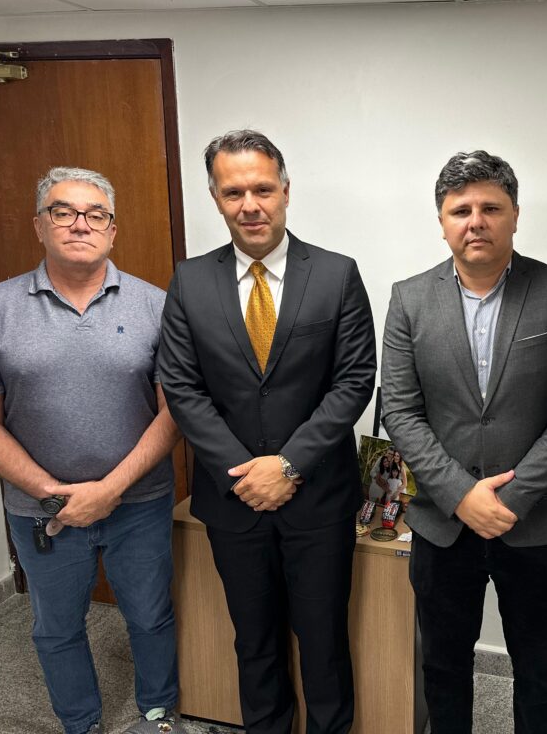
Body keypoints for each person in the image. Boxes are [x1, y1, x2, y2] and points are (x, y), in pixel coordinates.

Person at [157, 130, 376, 734]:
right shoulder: (190, 282)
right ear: (215, 197)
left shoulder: (336, 275)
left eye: (262, 188)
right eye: (234, 192)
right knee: (253, 641)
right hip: (233, 504)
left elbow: (354, 382)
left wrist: (287, 465)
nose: (249, 204)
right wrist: (245, 475)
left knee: (324, 641)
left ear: (285, 191)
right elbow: (181, 387)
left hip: (317, 499)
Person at [0, 167, 185, 734]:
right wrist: (53, 493)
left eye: (96, 214)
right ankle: (81, 724)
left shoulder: (157, 306)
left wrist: (109, 490)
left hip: (140, 502)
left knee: (151, 617)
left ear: (112, 230)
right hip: (43, 513)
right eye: (64, 211)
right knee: (56, 627)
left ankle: (158, 716)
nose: (81, 223)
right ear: (40, 225)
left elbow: (174, 411)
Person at [381, 150, 547, 733]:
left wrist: (510, 497)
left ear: (514, 215)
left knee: (538, 668)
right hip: (441, 523)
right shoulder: (408, 298)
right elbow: (401, 411)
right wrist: (460, 493)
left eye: (490, 208)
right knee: (444, 665)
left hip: (535, 525)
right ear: (441, 220)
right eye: (460, 209)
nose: (474, 220)